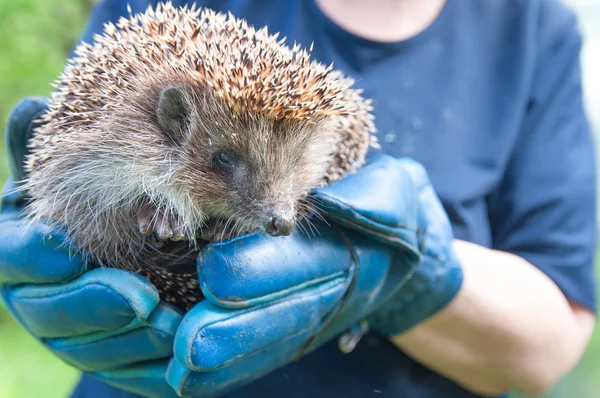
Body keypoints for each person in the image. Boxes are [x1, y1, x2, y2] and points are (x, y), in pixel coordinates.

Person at [0, 0, 597, 397]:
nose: (282, 215)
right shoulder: (148, 66)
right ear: (172, 120)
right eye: (224, 163)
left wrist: (401, 267)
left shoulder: (534, 30)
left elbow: (552, 340)